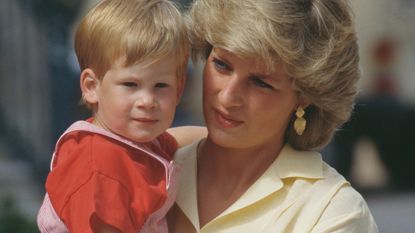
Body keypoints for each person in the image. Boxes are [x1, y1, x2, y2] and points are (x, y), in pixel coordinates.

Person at [167, 0, 379, 232]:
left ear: (305, 95)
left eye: (260, 82)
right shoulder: (153, 160)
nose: (228, 97)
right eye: (221, 65)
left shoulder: (331, 210)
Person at [37, 0, 190, 232]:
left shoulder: (137, 142)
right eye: (130, 84)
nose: (147, 101)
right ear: (91, 87)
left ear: (178, 91)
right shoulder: (99, 168)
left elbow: (183, 139)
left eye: (161, 86)